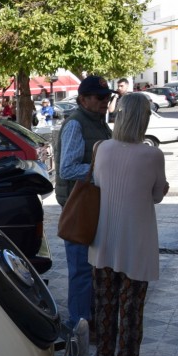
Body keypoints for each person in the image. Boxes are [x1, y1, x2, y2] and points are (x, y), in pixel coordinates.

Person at [90, 93, 169, 356]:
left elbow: (99, 184)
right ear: (144, 118)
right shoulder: (152, 154)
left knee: (104, 301)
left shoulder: (101, 148)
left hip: (104, 237)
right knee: (131, 304)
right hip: (137, 239)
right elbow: (157, 196)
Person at [55, 75, 114, 329]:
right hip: (78, 204)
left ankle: (89, 320)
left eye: (108, 97)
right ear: (83, 100)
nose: (105, 101)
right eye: (100, 98)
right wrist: (104, 167)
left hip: (95, 203)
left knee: (94, 268)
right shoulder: (76, 124)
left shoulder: (99, 123)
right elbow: (67, 168)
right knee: (80, 269)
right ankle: (78, 324)